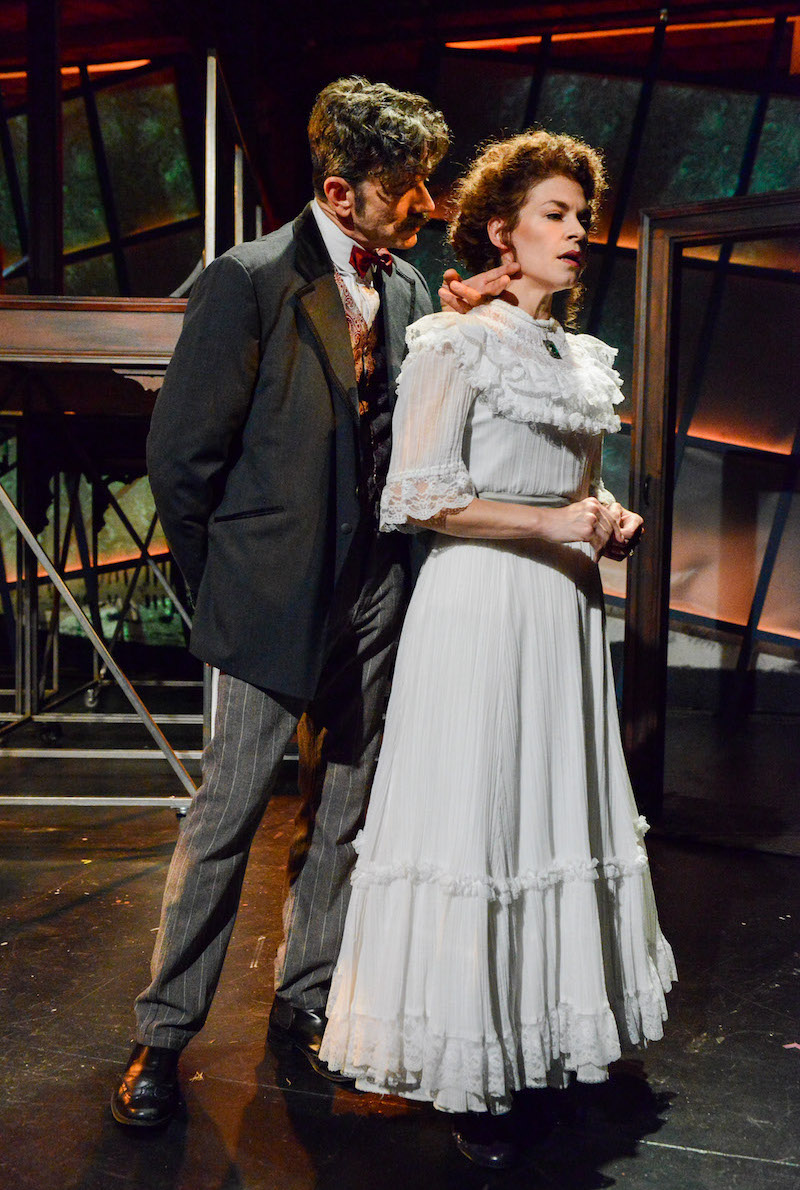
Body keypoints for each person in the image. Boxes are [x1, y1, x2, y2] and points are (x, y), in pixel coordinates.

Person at [110, 77, 468, 1129]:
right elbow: (181, 461)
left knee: (342, 816)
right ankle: (160, 1036)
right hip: (265, 600)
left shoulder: (404, 290)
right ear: (338, 189)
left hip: (371, 602)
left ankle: (303, 1000)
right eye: (405, 188)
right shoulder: (250, 278)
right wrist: (220, 586)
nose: (425, 204)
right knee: (223, 818)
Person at [318, 130, 676, 1169]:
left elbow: (568, 481)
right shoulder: (449, 342)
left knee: (548, 811)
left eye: (581, 216)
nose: (577, 232)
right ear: (497, 230)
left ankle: (549, 1040)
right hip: (478, 609)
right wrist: (557, 525)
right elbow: (418, 495)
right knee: (481, 816)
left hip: (559, 613)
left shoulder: (576, 353)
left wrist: (603, 514)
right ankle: (472, 1070)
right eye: (555, 214)